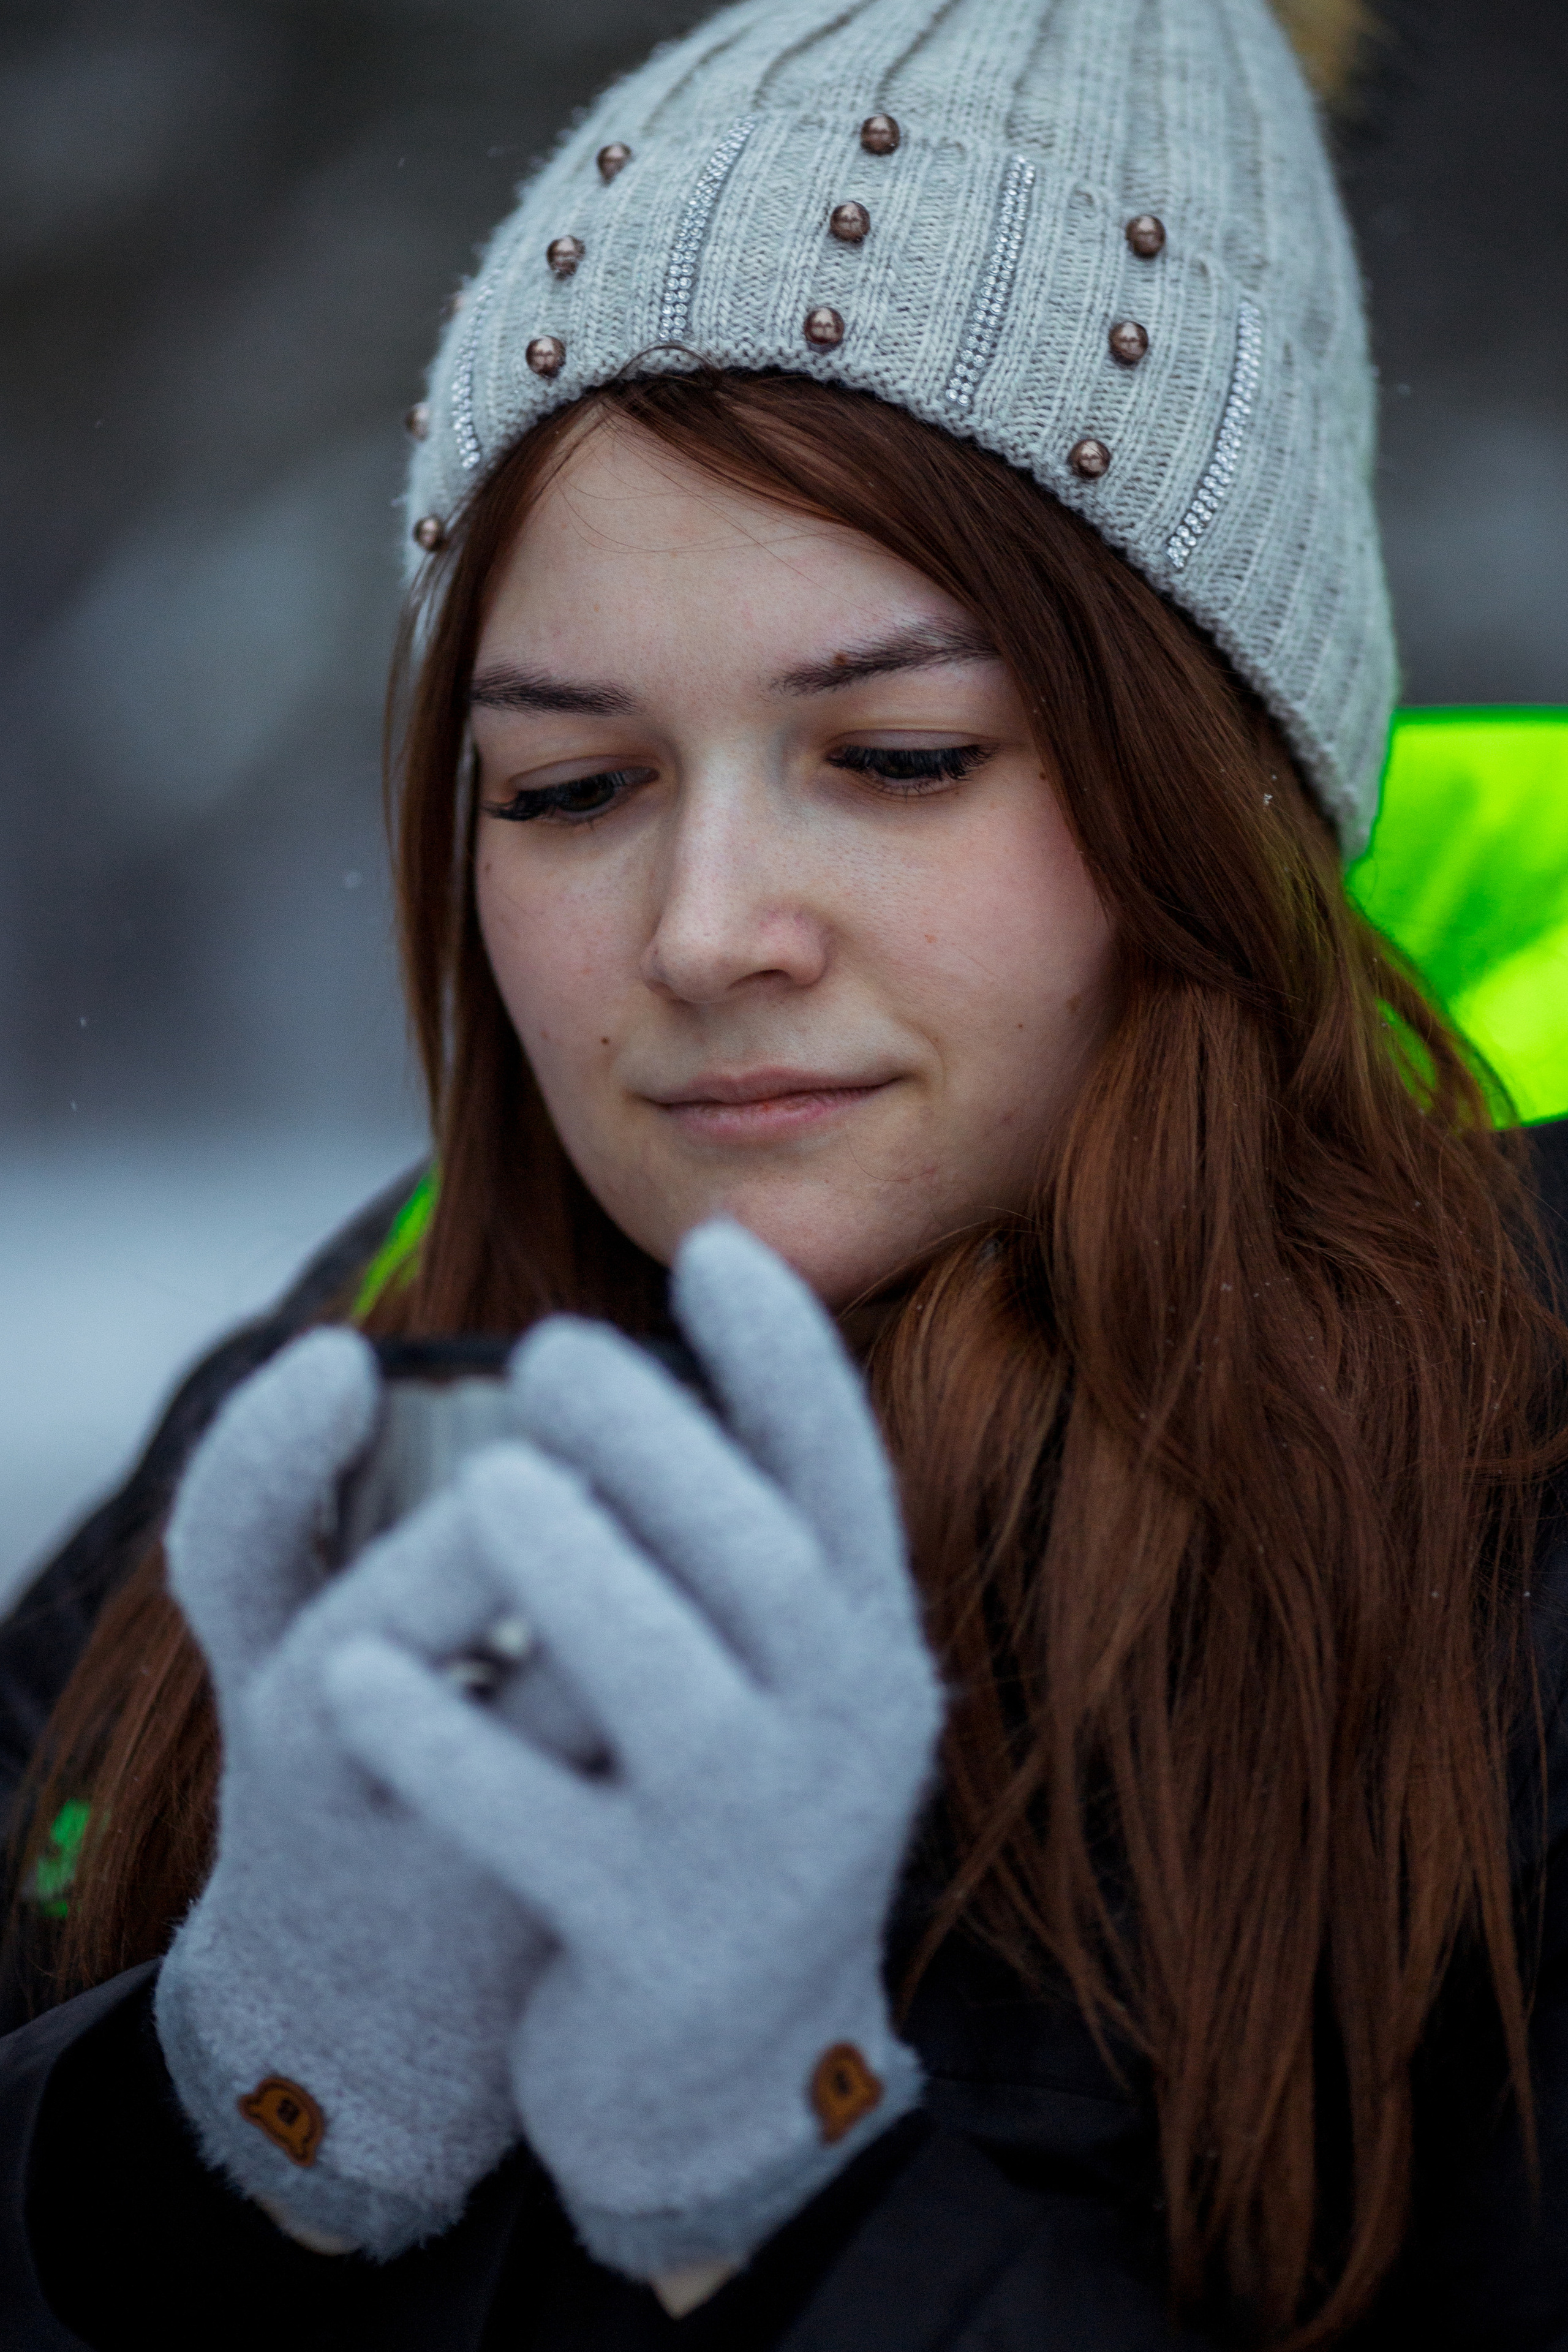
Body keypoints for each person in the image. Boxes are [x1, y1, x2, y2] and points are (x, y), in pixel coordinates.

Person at [3, 1, 1567, 2345]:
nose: (706, 931)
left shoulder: (1510, 1493)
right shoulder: (323, 1427)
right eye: (571, 790)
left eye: (902, 755)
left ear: (1221, 787)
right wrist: (221, 2127)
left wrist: (794, 2187)